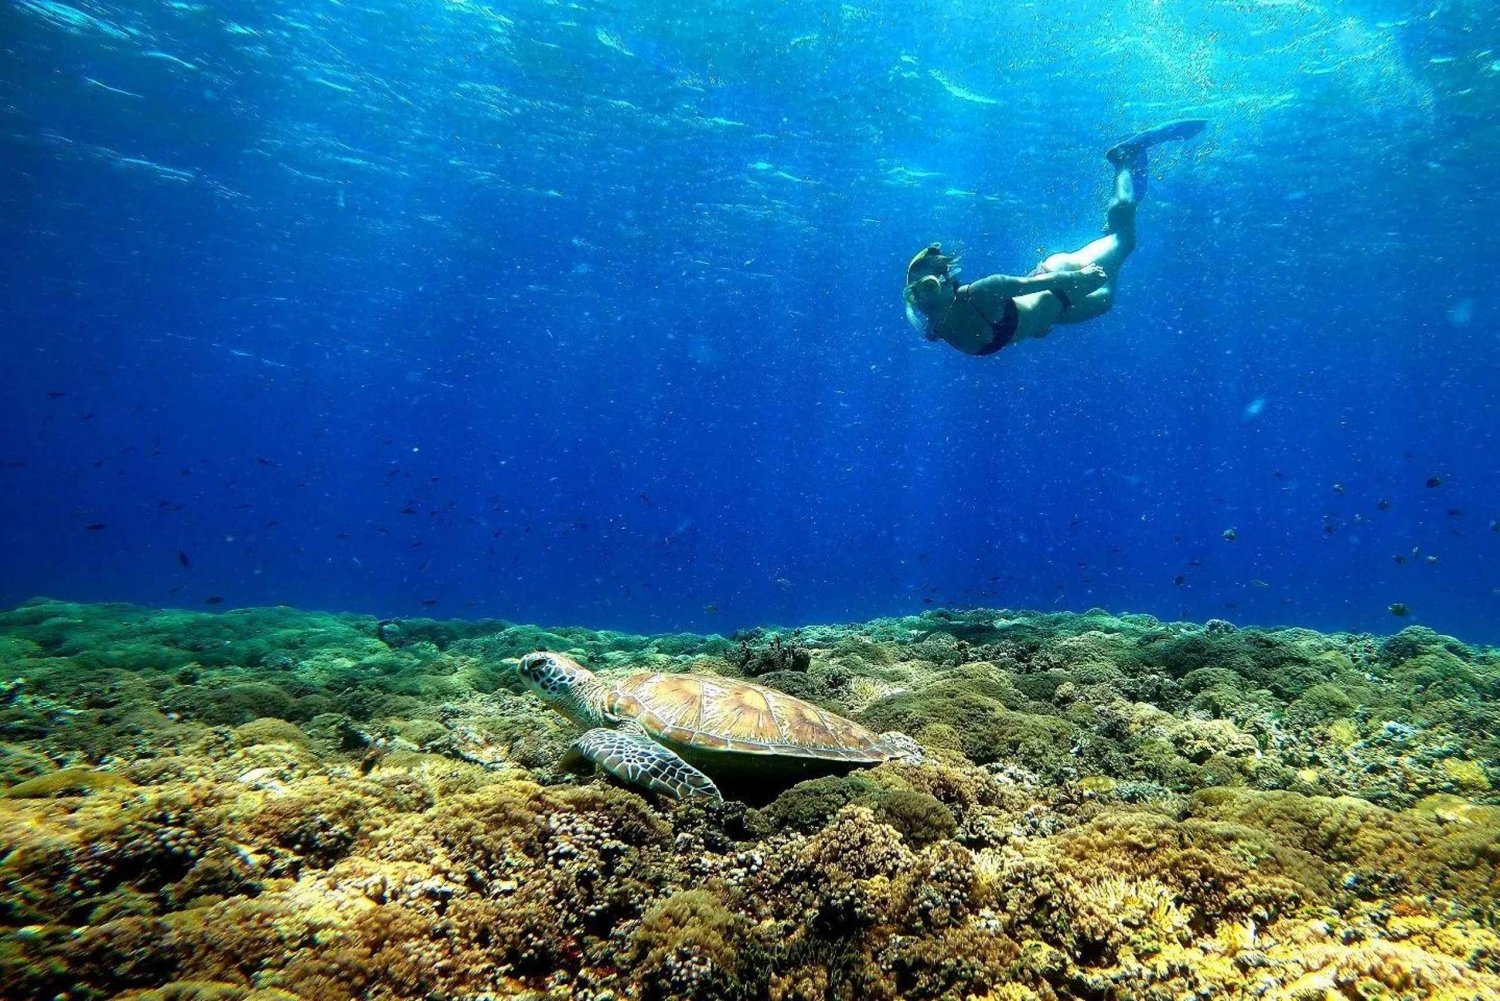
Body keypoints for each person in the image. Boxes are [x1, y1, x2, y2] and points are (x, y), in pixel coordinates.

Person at [902, 118, 1207, 356]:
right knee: (1105, 302)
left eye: (927, 287)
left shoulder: (983, 291)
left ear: (948, 284)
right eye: (915, 292)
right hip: (1051, 310)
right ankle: (1109, 233)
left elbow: (1031, 286)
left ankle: (1123, 159)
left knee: (1125, 240)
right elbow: (1013, 320)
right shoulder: (935, 328)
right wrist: (1031, 326)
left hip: (1060, 277)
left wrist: (1082, 277)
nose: (922, 298)